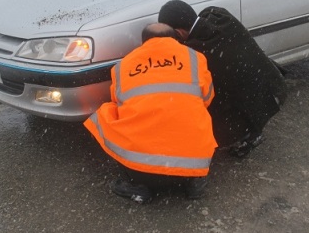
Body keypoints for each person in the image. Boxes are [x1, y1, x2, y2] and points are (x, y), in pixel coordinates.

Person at [84, 23, 216, 203]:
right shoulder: (196, 58)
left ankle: (137, 187)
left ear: (143, 41)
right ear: (175, 38)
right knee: (195, 110)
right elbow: (207, 97)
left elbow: (119, 102)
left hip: (142, 170)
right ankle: (193, 183)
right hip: (191, 166)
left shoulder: (122, 66)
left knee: (104, 113)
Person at [158, 0, 287, 158]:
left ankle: (250, 134)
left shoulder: (197, 51)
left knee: (207, 119)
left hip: (266, 98)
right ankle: (250, 123)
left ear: (178, 33)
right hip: (274, 81)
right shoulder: (217, 14)